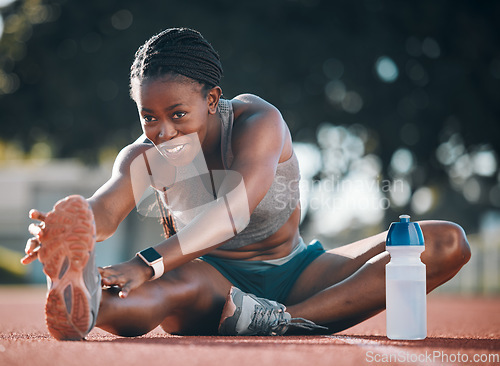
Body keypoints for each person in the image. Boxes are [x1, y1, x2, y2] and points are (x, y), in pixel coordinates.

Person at [22, 28, 471, 340]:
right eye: (148, 117)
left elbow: (233, 212)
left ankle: (281, 320)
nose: (163, 131)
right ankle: (82, 306)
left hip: (299, 272)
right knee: (162, 293)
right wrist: (70, 224)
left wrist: (147, 261)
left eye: (178, 114)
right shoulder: (144, 155)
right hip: (211, 281)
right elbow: (106, 208)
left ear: (212, 98)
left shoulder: (258, 122)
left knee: (445, 242)